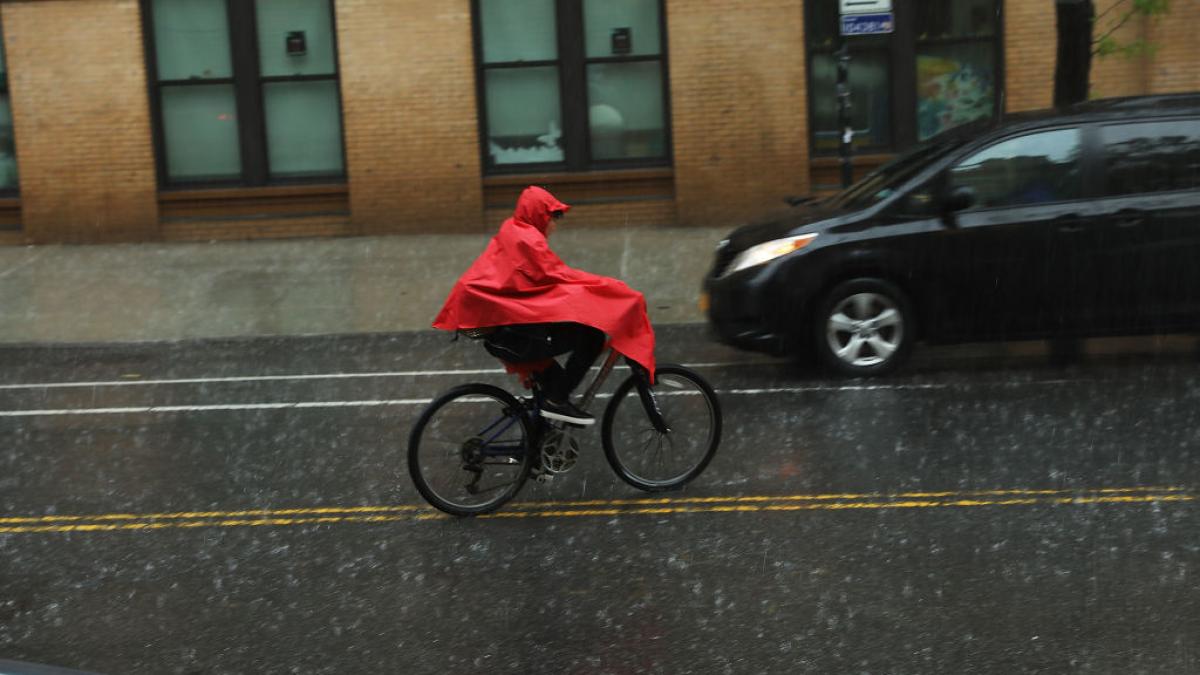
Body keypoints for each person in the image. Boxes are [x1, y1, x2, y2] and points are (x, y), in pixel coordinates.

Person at [433, 186, 656, 426]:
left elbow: (543, 283)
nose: (555, 225)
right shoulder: (528, 240)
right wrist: (613, 291)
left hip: (504, 333)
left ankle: (542, 428)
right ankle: (556, 403)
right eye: (553, 217)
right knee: (591, 337)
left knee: (555, 376)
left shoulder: (514, 230)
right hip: (514, 336)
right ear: (540, 215)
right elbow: (559, 279)